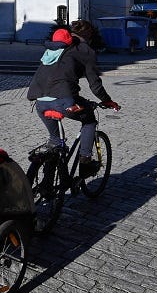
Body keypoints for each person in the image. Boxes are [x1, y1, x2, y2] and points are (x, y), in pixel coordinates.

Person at [27, 20, 120, 178]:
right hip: (64, 102)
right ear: (89, 36)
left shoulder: (57, 47)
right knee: (89, 120)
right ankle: (85, 161)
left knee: (55, 141)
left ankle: (49, 180)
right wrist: (107, 100)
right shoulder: (85, 50)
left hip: (40, 102)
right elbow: (95, 84)